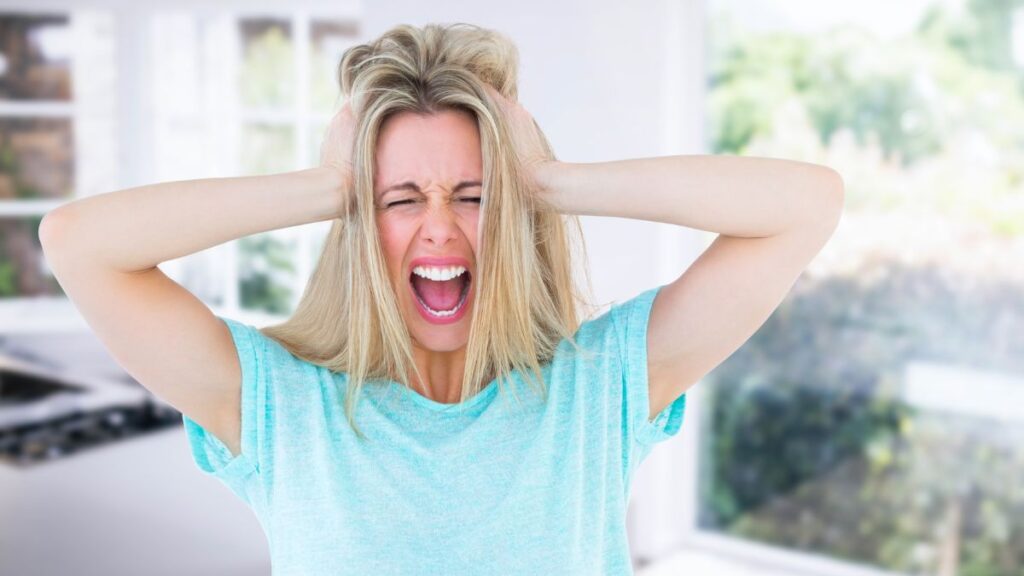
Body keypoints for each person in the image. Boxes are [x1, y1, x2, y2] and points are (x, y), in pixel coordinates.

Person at [38, 22, 844, 576]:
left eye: (473, 195)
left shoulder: (598, 385)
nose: (439, 230)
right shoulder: (283, 404)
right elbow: (79, 243)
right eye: (400, 201)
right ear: (359, 221)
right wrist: (330, 186)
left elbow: (804, 206)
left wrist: (545, 180)